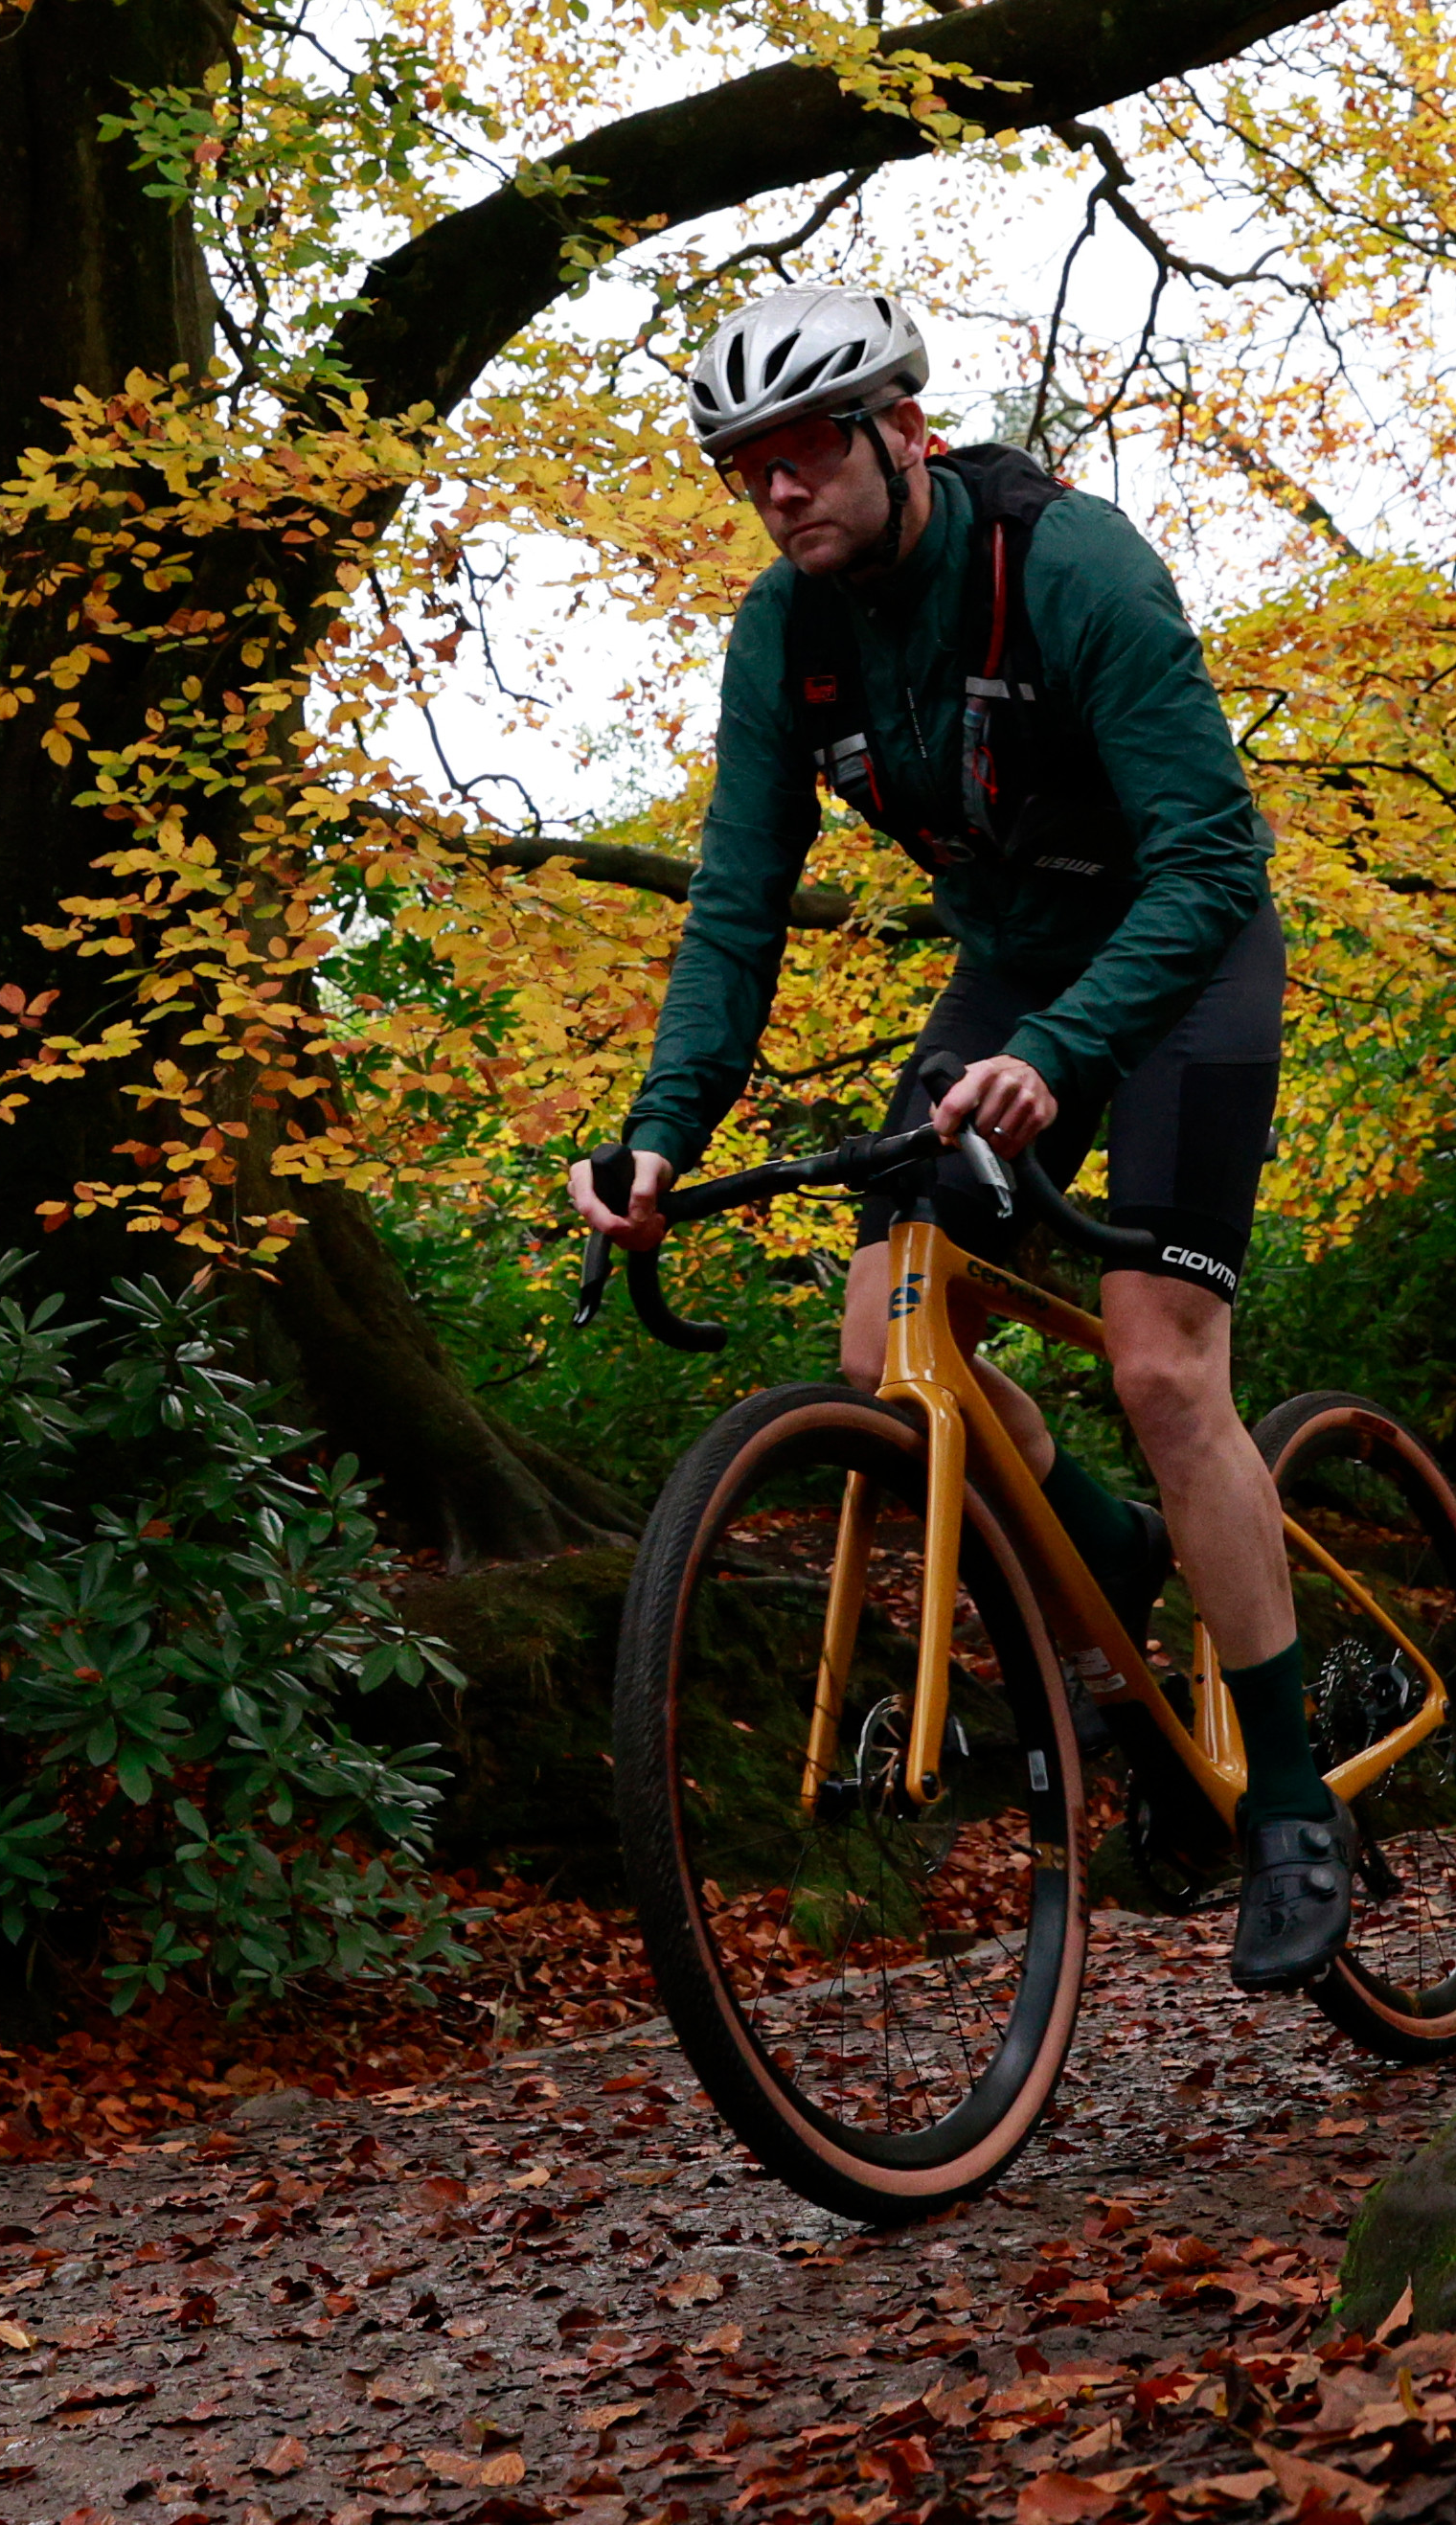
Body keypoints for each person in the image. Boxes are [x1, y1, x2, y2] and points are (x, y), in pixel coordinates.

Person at [562, 284, 1352, 1991]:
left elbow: (1210, 859)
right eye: (742, 471)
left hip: (1183, 950)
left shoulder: (1070, 566)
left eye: (803, 455)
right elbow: (736, 908)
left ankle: (1288, 1802)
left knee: (1157, 1368)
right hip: (1012, 974)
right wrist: (657, 1138)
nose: (778, 493)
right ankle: (1118, 1557)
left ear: (901, 435)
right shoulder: (786, 638)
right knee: (885, 1362)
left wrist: (1063, 1058)